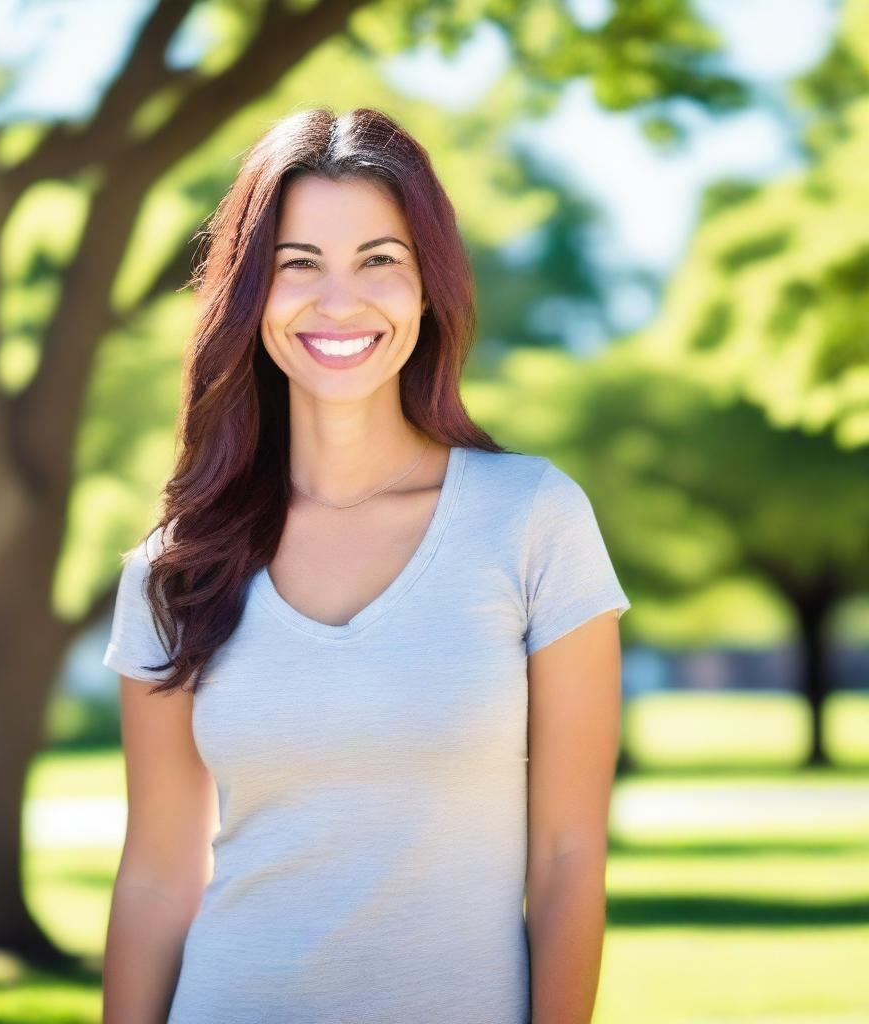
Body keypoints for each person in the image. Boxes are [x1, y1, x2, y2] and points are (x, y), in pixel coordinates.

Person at [100, 106, 630, 1024]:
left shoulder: (533, 520)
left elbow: (569, 856)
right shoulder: (175, 567)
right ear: (248, 294)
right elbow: (154, 876)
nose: (338, 302)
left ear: (429, 288)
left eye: (379, 261)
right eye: (296, 264)